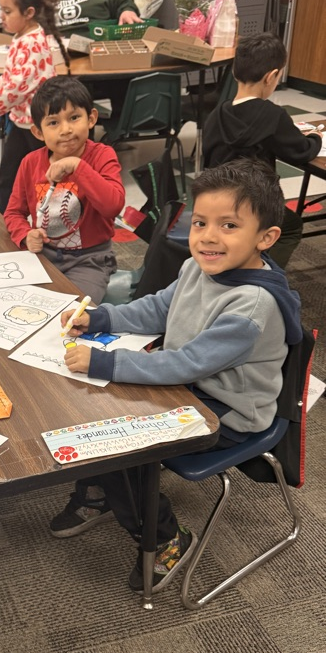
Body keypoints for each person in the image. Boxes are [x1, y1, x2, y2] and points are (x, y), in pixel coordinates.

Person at [49, 161, 302, 593]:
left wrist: (106, 363)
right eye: (201, 222)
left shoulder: (252, 305)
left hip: (227, 415)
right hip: (192, 389)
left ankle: (166, 539)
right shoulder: (198, 267)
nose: (208, 236)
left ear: (266, 238)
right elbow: (155, 308)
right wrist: (100, 317)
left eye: (228, 225)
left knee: (117, 446)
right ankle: (102, 494)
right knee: (91, 412)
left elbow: (187, 363)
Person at [203, 32, 322, 268]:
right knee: (290, 226)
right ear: (271, 76)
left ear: (235, 72)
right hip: (254, 206)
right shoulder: (272, 115)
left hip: (215, 200)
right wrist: (315, 137)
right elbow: (301, 151)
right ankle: (263, 275)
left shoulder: (216, 114)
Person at [3, 76, 125, 303]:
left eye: (74, 117)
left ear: (91, 119)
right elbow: (13, 213)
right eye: (53, 123)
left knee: (70, 312)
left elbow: (113, 206)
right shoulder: (30, 163)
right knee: (17, 301)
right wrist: (25, 235)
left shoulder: (102, 156)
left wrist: (78, 166)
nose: (66, 129)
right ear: (38, 132)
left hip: (90, 260)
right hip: (43, 255)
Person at [0, 0, 69, 214]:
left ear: (29, 12)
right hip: (23, 123)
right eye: (1, 10)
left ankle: (44, 218)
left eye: (7, 11)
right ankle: (0, 215)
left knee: (38, 178)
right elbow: (9, 76)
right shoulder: (23, 38)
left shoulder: (31, 44)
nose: (1, 17)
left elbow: (14, 90)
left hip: (37, 126)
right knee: (9, 174)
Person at [32, 0, 143, 120]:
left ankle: (119, 131)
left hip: (101, 55)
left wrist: (126, 10)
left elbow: (125, 3)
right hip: (62, 60)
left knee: (128, 79)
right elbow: (30, 23)